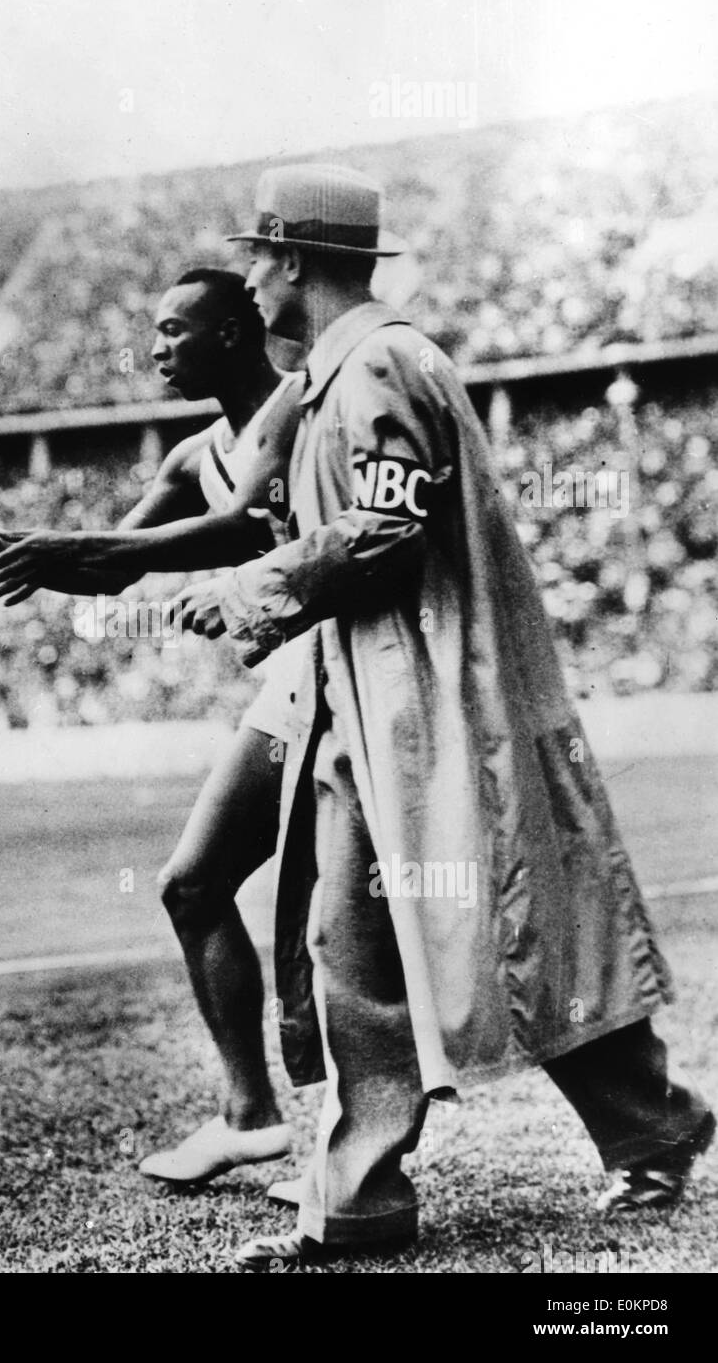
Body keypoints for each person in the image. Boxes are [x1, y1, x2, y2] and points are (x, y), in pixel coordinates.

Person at [177, 165, 713, 1269]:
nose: (247, 280)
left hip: (427, 704)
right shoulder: (356, 364)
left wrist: (254, 588)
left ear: (291, 261)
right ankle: (385, 1190)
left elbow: (382, 530)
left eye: (255, 259)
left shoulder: (373, 362)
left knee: (459, 931)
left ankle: (620, 1131)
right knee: (390, 934)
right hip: (379, 695)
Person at [0, 269, 322, 1186]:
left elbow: (233, 532)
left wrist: (60, 549)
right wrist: (5, 547)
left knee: (342, 920)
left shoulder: (300, 410)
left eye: (173, 331)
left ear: (232, 334)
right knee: (192, 886)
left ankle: (356, 1143)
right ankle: (249, 1118)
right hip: (293, 687)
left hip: (354, 670)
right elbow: (113, 566)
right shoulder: (192, 455)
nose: (155, 349)